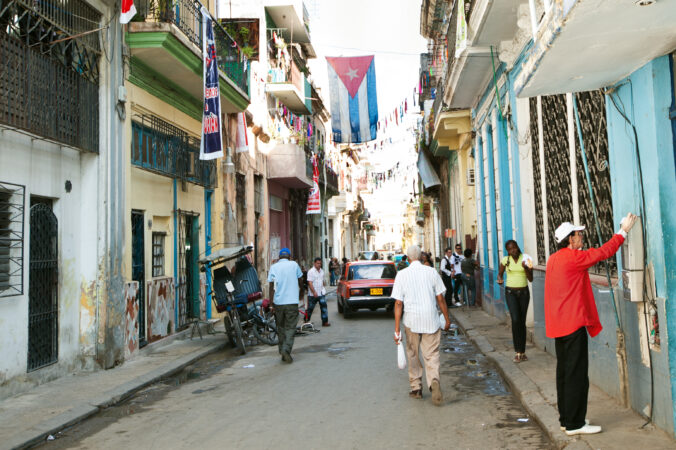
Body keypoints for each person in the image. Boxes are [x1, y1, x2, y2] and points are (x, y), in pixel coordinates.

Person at [545, 213, 637, 436]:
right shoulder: (573, 258)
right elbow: (604, 252)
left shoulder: (554, 259)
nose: (581, 237)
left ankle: (568, 419)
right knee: (577, 375)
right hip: (573, 324)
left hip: (559, 326)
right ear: (570, 239)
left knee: (565, 374)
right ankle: (576, 425)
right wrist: (623, 231)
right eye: (578, 234)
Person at [392, 245, 451, 406]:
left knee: (413, 353)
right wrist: (447, 318)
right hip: (430, 318)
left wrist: (397, 330)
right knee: (431, 354)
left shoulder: (402, 275)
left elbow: (398, 303)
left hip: (411, 320)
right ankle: (434, 381)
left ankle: (416, 388)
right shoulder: (431, 272)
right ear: (421, 257)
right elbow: (440, 298)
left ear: (408, 258)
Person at [497, 240, 533, 363]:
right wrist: (500, 279)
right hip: (510, 293)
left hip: (524, 293)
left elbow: (531, 278)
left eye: (514, 248)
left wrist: (526, 268)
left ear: (518, 247)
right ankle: (517, 351)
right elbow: (500, 274)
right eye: (510, 249)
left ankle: (523, 352)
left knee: (522, 322)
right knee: (515, 320)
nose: (513, 250)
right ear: (507, 250)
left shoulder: (526, 258)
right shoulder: (505, 260)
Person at [268, 248, 304, 363]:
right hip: (292, 302)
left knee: (281, 328)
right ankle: (286, 350)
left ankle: (282, 350)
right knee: (290, 328)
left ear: (279, 257)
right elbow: (301, 281)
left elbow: (271, 287)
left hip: (278, 302)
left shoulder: (274, 267)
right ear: (289, 256)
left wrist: (271, 303)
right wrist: (301, 293)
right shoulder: (294, 265)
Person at [306, 257, 330, 327]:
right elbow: (309, 283)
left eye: (320, 263)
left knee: (324, 307)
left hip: (321, 293)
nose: (319, 265)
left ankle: (325, 322)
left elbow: (322, 280)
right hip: (312, 294)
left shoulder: (322, 271)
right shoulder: (311, 271)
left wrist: (323, 286)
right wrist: (314, 292)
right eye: (318, 263)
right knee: (310, 308)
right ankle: (306, 321)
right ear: (314, 263)